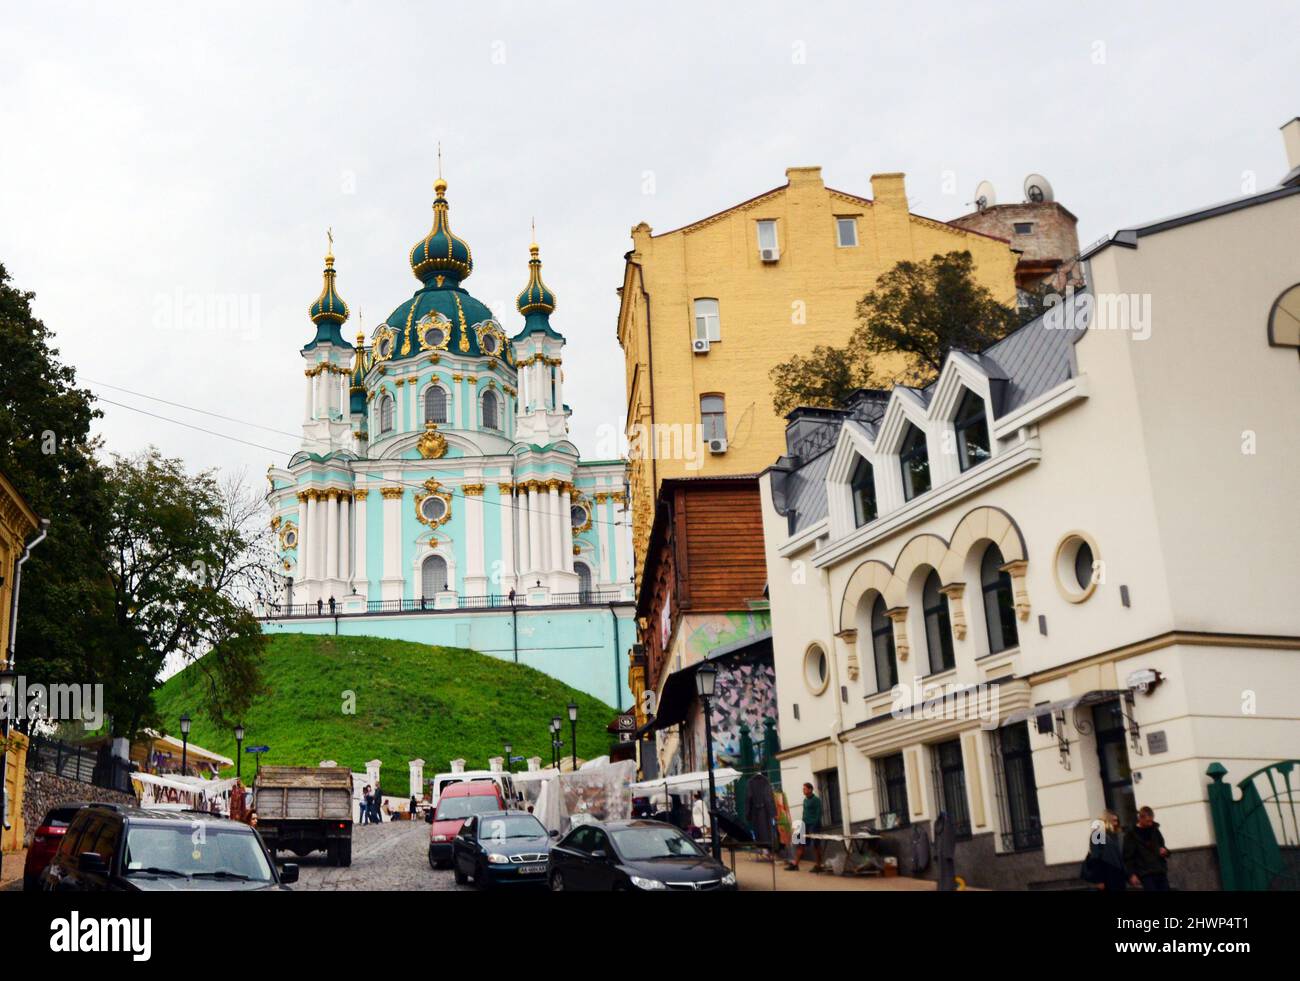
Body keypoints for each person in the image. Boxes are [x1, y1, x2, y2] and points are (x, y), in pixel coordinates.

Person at [1124, 806, 1171, 890]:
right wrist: (1132, 874)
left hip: (1159, 870)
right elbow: (1128, 856)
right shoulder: (1131, 834)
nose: (1150, 824)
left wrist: (1165, 852)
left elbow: (1162, 846)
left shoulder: (1154, 830)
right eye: (1148, 821)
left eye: (1151, 821)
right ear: (1140, 819)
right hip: (1145, 873)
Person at [1085, 810, 1127, 892]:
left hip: (1117, 877)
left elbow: (1118, 858)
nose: (1116, 823)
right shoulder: (1097, 834)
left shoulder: (1112, 836)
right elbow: (1095, 857)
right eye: (1114, 821)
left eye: (1117, 821)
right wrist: (1099, 880)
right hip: (1107, 877)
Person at [786, 782, 824, 872]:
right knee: (800, 844)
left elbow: (819, 813)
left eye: (805, 789)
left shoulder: (816, 800)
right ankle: (795, 865)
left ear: (810, 789)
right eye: (803, 789)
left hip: (814, 825)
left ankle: (818, 866)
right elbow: (804, 813)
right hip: (805, 825)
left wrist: (815, 825)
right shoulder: (805, 800)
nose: (803, 790)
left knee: (816, 846)